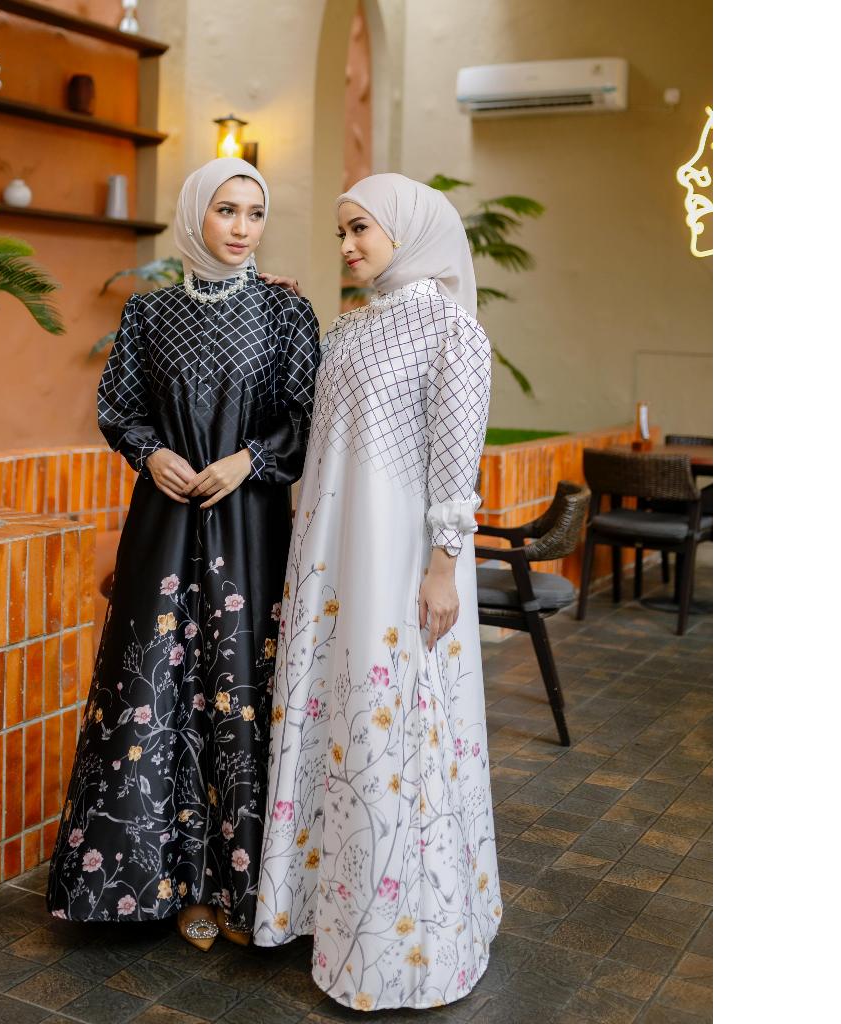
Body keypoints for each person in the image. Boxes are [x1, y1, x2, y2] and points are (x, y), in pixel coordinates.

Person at [46, 158, 320, 951]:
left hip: (250, 526)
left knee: (239, 687)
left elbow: (307, 416)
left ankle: (241, 887)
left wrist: (248, 461)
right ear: (196, 213)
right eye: (227, 210)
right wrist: (151, 452)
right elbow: (118, 406)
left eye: (255, 213)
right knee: (153, 689)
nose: (242, 228)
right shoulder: (149, 312)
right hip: (163, 523)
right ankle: (160, 886)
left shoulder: (286, 314)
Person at [253, 173, 501, 1010]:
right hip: (334, 553)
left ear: (408, 228)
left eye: (361, 228)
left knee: (399, 718)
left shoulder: (451, 330)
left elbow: (455, 461)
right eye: (341, 232)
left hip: (399, 558)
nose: (349, 245)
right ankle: (325, 911)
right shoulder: (351, 327)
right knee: (339, 712)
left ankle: (407, 943)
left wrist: (443, 566)